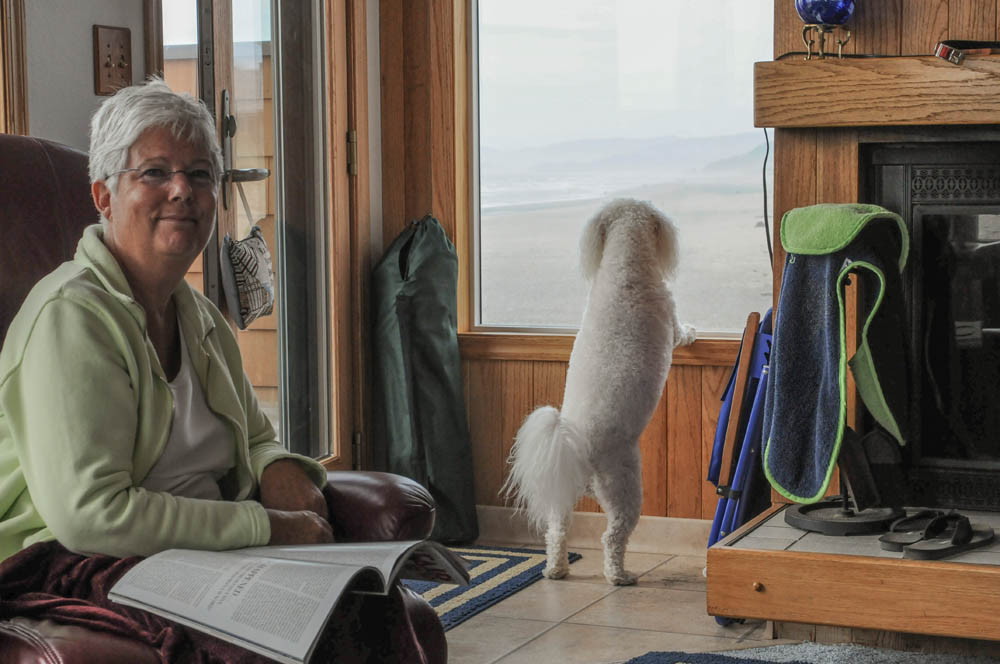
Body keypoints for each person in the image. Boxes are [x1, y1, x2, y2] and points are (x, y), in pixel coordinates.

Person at [0, 79, 424, 663]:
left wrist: (276, 466)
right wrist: (265, 526)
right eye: (154, 172)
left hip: (196, 553)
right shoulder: (71, 315)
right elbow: (92, 516)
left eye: (200, 175)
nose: (182, 190)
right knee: (263, 639)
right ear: (104, 195)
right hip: (77, 558)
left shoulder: (196, 314)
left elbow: (253, 435)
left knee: (368, 605)